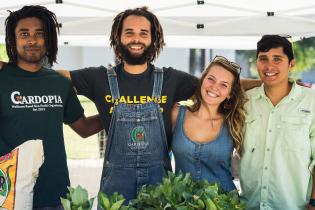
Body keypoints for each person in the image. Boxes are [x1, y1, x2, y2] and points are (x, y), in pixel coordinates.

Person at [0, 5, 103, 210]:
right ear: (12, 40)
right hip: (9, 194)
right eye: (24, 34)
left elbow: (83, 129)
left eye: (40, 34)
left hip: (55, 194)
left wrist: (113, 111)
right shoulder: (2, 78)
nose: (32, 40)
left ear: (49, 40)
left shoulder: (60, 82)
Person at [240, 35, 315, 209]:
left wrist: (313, 202)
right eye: (263, 59)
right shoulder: (244, 101)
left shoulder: (311, 102)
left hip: (295, 205)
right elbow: (226, 84)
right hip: (250, 205)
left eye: (277, 59)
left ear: (291, 64)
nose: (269, 66)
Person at [171, 55, 246, 192]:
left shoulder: (233, 123)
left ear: (230, 94)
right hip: (180, 203)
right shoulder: (177, 113)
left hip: (224, 203)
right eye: (211, 79)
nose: (214, 87)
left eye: (224, 85)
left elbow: (249, 165)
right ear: (202, 80)